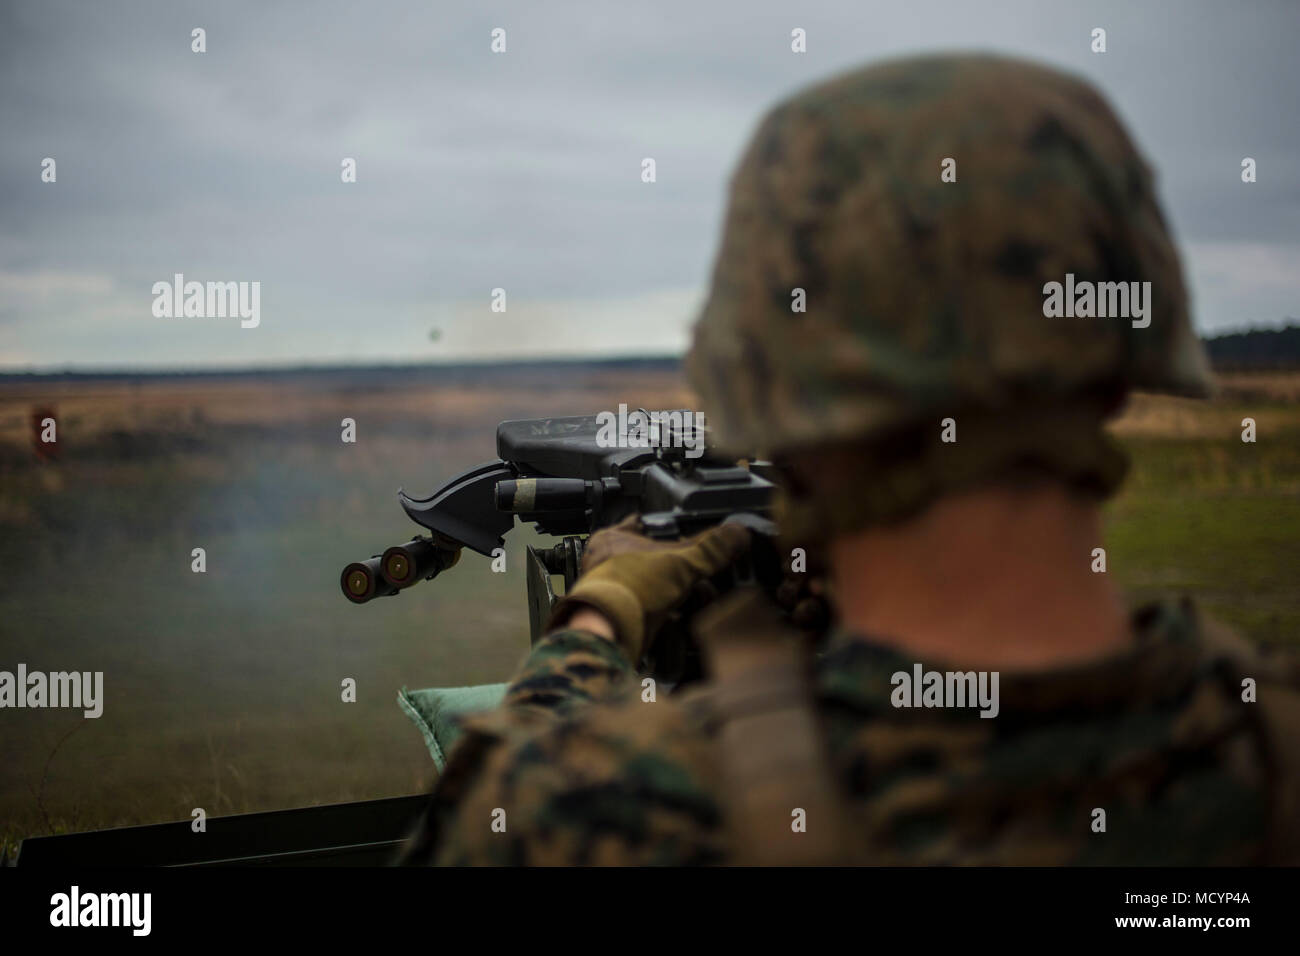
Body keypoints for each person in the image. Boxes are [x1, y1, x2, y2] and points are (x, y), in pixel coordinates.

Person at [401, 53, 1300, 866]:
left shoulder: (618, 813)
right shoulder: (1270, 744)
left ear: (774, 400)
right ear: (1116, 373)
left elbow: (483, 829)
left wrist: (601, 613)